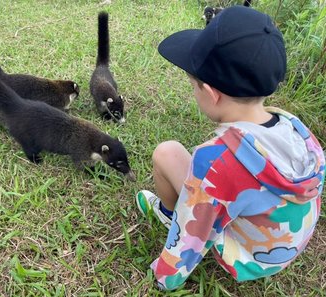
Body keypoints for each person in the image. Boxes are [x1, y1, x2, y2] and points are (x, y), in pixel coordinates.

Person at [135, 5, 325, 291]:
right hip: (284, 246)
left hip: (247, 257)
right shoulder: (294, 126)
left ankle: (167, 212)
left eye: (194, 87)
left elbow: (194, 232)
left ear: (211, 94)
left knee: (167, 153)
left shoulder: (214, 160)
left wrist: (165, 277)